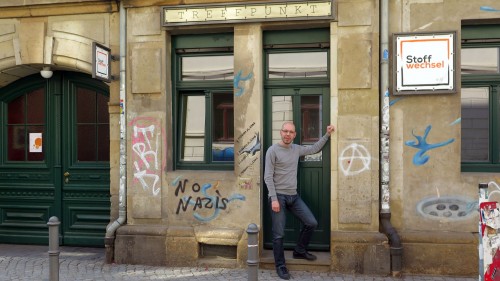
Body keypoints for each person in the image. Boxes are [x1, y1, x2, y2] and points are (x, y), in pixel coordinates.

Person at [264, 121, 335, 280]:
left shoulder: (296, 149)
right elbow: (268, 177)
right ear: (280, 132)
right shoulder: (272, 150)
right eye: (285, 131)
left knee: (311, 222)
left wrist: (327, 134)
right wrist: (274, 199)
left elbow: (314, 149)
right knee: (278, 234)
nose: (287, 134)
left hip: (293, 196)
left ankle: (299, 251)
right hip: (278, 197)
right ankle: (280, 266)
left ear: (295, 134)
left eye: (291, 132)